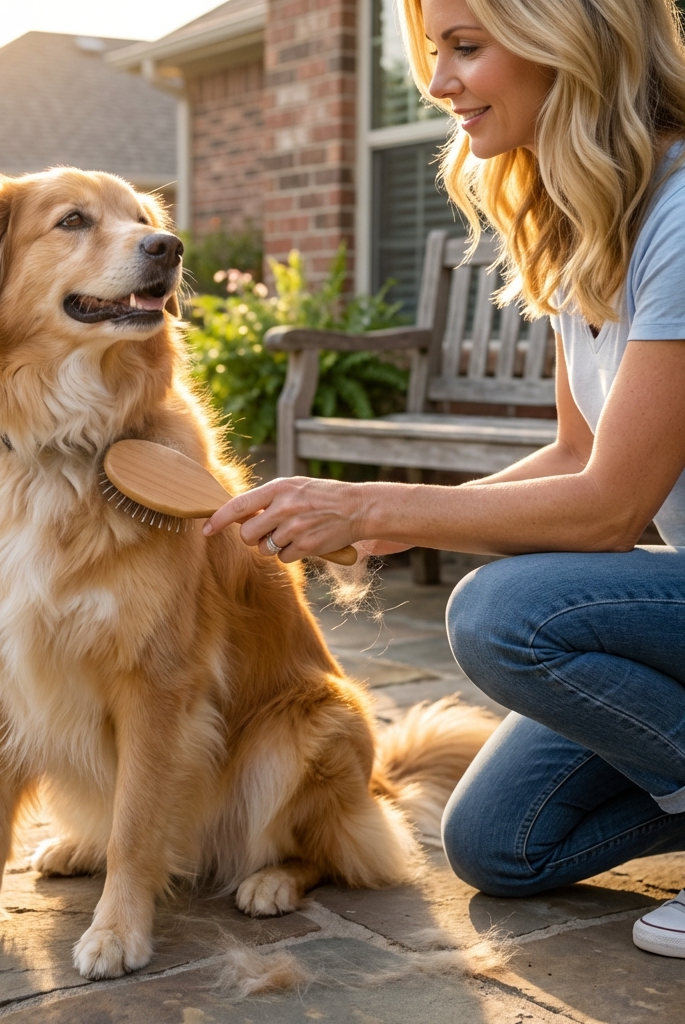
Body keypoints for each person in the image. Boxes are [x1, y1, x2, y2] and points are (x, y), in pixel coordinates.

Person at [204, 0, 685, 958]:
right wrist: (400, 525)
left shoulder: (681, 214)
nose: (437, 83)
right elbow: (574, 456)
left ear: (572, 44)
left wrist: (379, 502)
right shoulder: (589, 219)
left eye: (467, 48)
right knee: (500, 844)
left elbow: (610, 510)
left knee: (504, 614)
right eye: (433, 51)